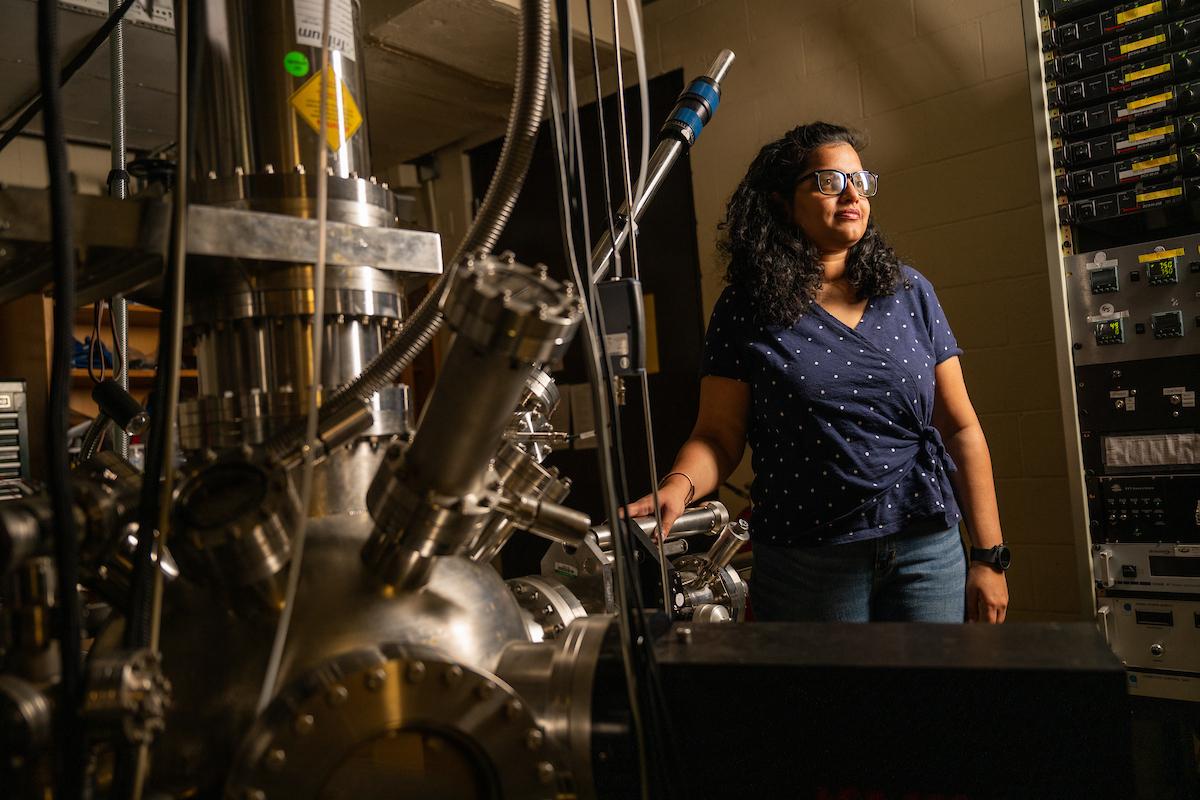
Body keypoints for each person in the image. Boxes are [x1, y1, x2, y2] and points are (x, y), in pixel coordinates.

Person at [625, 122, 1010, 623]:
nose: (852, 195)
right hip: (807, 559)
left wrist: (989, 556)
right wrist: (679, 485)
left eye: (860, 181)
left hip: (925, 547)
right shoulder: (746, 309)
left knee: (934, 677)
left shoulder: (909, 291)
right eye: (830, 181)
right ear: (783, 202)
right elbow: (718, 436)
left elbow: (959, 428)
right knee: (825, 679)